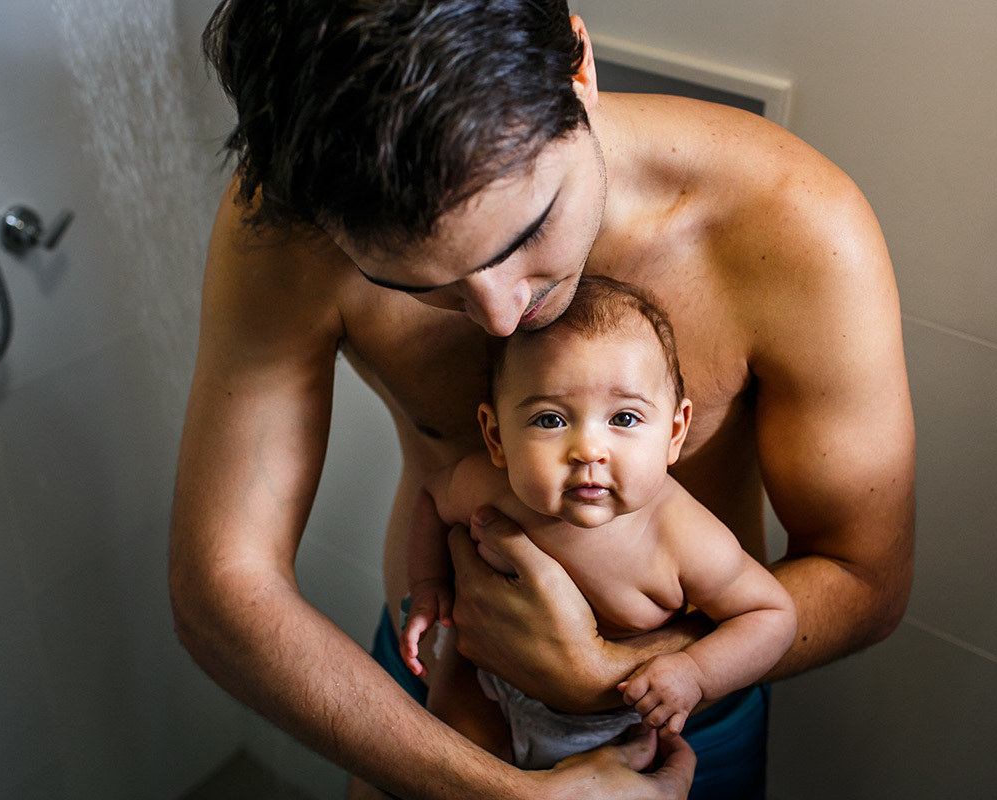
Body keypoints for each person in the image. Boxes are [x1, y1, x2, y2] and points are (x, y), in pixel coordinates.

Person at [168, 2, 915, 799]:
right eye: (418, 283)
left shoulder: (793, 223)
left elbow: (864, 576)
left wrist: (610, 671)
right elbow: (222, 591)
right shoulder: (292, 222)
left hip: (672, 722)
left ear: (579, 70)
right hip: (436, 698)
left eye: (525, 232)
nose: (498, 316)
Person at [399, 276, 797, 772]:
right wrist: (429, 583)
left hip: (611, 726)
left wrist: (695, 671)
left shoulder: (682, 536)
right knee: (451, 763)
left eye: (625, 419)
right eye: (550, 420)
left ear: (674, 432)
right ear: (496, 435)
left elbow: (771, 615)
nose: (588, 450)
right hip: (485, 681)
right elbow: (433, 498)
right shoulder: (487, 486)